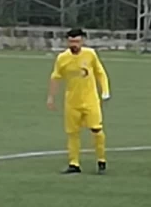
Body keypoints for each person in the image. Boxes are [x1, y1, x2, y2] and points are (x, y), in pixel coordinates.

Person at [47, 28, 110, 175]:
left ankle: (101, 160)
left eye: (76, 41)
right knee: (72, 133)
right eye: (71, 41)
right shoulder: (62, 58)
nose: (73, 44)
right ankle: (73, 163)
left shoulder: (90, 54)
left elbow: (100, 72)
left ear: (82, 41)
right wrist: (51, 97)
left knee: (97, 130)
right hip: (72, 102)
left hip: (90, 100)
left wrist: (105, 90)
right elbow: (55, 77)